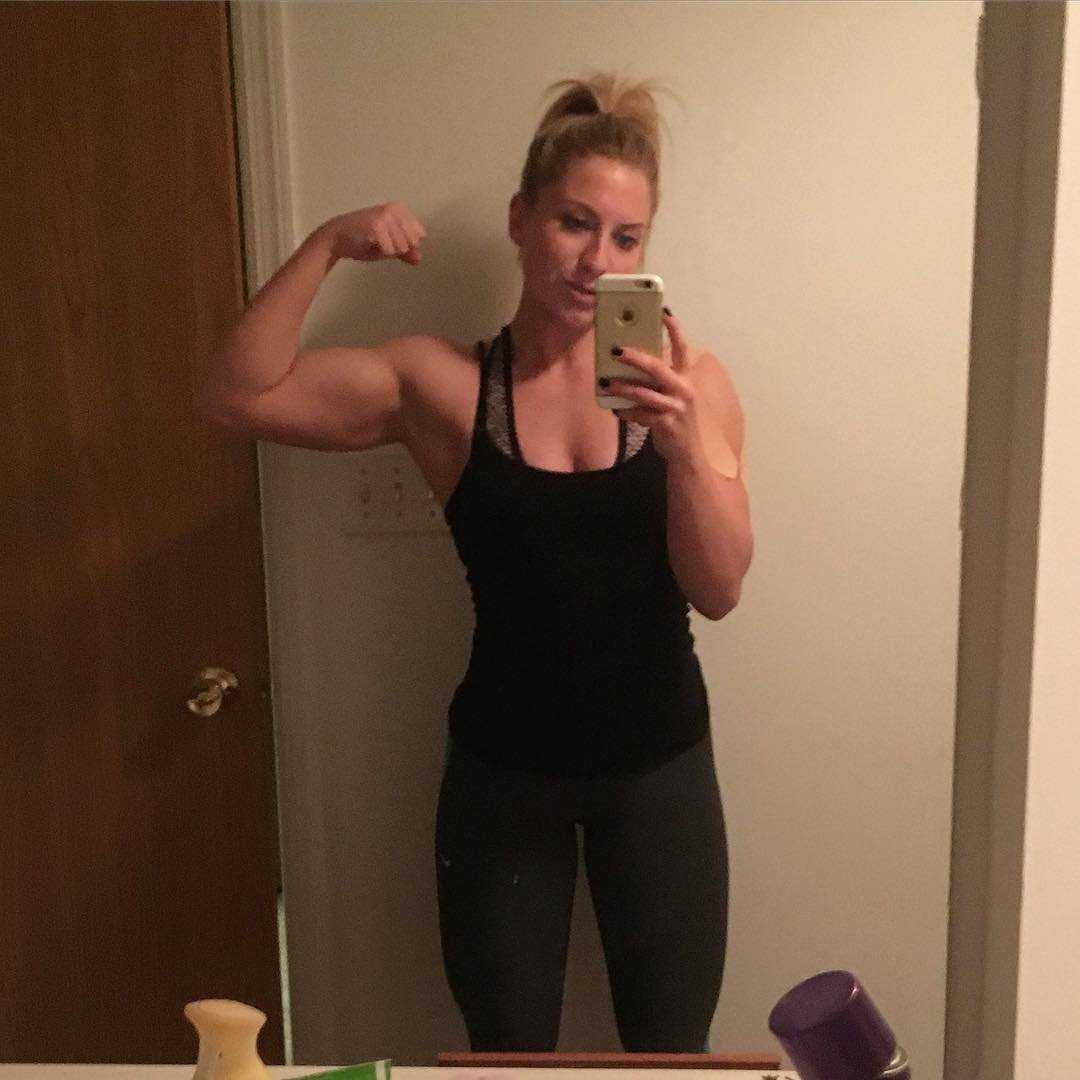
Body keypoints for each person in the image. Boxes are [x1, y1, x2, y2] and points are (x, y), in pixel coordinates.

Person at [201, 72, 752, 1053]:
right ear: (520, 220)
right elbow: (238, 394)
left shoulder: (692, 385)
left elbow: (719, 590)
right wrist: (327, 244)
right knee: (503, 1057)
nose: (597, 259)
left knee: (675, 1057)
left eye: (626, 238)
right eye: (575, 222)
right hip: (506, 775)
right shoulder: (445, 385)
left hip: (661, 767)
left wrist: (681, 454)